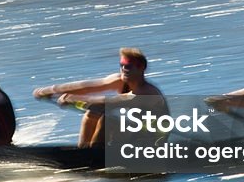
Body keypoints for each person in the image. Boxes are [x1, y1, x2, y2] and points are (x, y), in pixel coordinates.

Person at [32, 47, 165, 148]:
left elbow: (111, 101)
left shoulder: (147, 92)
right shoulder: (120, 80)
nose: (124, 69)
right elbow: (86, 87)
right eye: (122, 65)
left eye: (128, 66)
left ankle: (95, 154)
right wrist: (50, 90)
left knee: (107, 117)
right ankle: (83, 151)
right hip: (133, 132)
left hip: (151, 142)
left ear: (142, 68)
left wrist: (72, 99)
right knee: (93, 112)